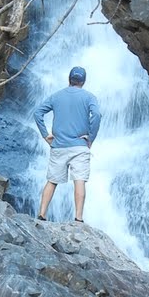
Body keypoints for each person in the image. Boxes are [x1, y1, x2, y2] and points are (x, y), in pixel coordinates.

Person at [32, 66, 101, 223]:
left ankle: (42, 214)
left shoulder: (56, 96)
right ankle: (78, 218)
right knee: (79, 180)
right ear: (83, 81)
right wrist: (91, 137)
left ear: (69, 79)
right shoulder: (89, 97)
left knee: (52, 180)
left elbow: (37, 113)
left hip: (59, 145)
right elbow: (97, 115)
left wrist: (45, 135)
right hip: (80, 145)